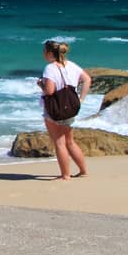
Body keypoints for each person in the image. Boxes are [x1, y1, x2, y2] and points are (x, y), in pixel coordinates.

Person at [39, 39, 91, 180]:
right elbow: (87, 79)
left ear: (50, 53)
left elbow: (50, 91)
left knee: (59, 142)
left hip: (55, 109)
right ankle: (83, 171)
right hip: (71, 108)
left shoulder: (50, 68)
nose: (43, 54)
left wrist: (41, 86)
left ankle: (65, 175)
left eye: (44, 51)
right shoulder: (72, 65)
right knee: (70, 142)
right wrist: (81, 99)